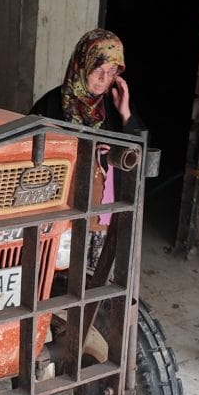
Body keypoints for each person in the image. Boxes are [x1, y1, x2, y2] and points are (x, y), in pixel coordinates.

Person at [30, 29, 144, 266]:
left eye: (112, 72)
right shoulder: (51, 105)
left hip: (102, 217)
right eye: (98, 70)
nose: (104, 79)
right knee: (51, 275)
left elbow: (138, 157)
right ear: (82, 65)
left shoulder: (116, 105)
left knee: (96, 282)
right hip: (59, 213)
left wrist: (126, 115)